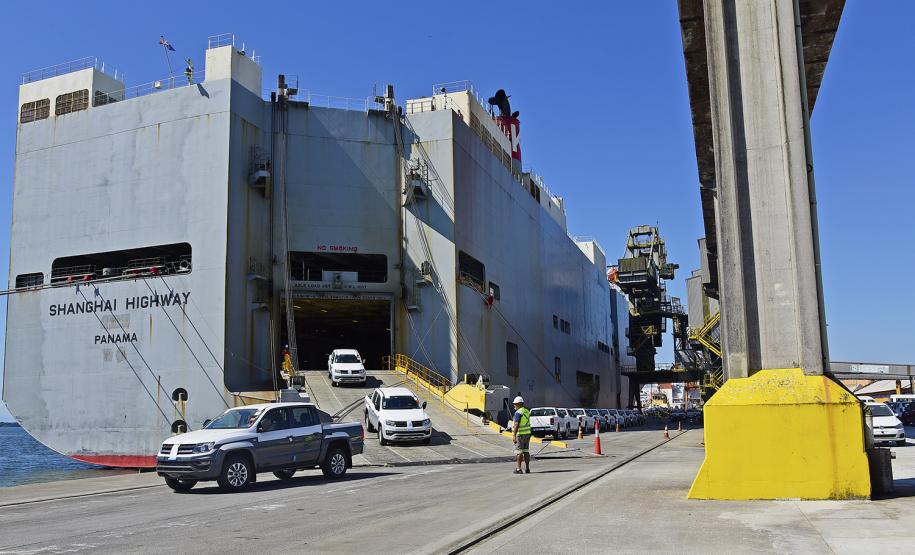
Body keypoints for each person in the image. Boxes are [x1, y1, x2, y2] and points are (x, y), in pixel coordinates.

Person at [511, 395, 531, 474]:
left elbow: (516, 424)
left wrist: (513, 435)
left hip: (520, 434)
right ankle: (527, 468)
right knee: (526, 451)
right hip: (527, 434)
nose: (514, 405)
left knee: (519, 452)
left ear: (520, 403)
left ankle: (519, 469)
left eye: (515, 403)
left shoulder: (518, 413)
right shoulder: (527, 411)